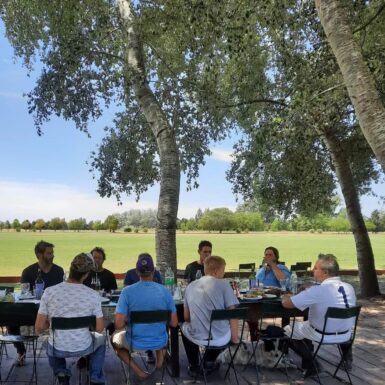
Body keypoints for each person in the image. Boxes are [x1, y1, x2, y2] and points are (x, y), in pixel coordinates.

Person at [35, 253, 106, 385]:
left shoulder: (49, 292)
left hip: (57, 348)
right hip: (84, 346)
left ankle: (61, 372)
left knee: (46, 339)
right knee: (102, 340)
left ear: (71, 269)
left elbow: (39, 328)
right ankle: (95, 378)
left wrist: (50, 324)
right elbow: (100, 328)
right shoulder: (93, 295)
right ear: (86, 274)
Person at [281, 254, 356, 378]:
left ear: (325, 272)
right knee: (304, 326)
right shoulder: (349, 287)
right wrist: (312, 289)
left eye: (315, 268)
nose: (312, 271)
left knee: (286, 330)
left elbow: (287, 305)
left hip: (322, 334)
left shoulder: (317, 291)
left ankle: (313, 363)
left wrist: (285, 295)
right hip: (346, 334)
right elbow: (328, 295)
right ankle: (343, 359)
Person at [112, 253, 178, 381]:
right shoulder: (165, 291)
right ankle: (159, 366)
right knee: (161, 332)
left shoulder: (127, 292)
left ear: (137, 272)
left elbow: (118, 325)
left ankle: (139, 372)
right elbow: (174, 323)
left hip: (134, 341)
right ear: (153, 271)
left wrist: (128, 319)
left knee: (114, 341)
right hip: (160, 340)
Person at [181, 255, 240, 377]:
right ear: (216, 271)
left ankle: (194, 364)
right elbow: (233, 314)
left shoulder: (190, 286)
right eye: (223, 271)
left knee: (183, 325)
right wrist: (235, 339)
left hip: (198, 336)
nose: (223, 274)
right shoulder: (224, 284)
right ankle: (209, 360)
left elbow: (186, 317)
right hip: (221, 338)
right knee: (222, 328)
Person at [12, 240, 64, 366]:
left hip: (54, 313)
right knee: (11, 323)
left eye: (52, 253)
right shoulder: (28, 271)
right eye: (49, 253)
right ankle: (21, 351)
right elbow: (24, 295)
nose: (52, 255)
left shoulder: (59, 271)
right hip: (33, 312)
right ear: (39, 255)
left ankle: (59, 353)